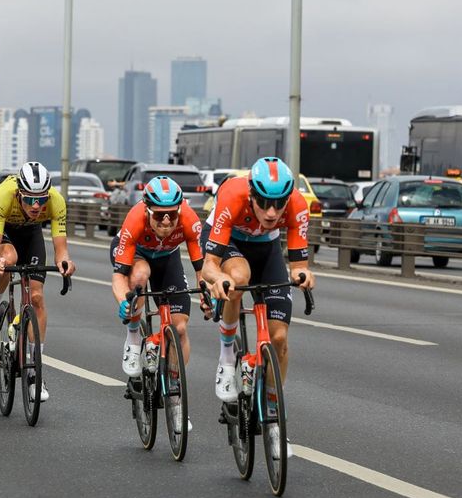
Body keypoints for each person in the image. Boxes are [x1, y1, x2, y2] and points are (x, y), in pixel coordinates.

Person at [200, 156, 315, 460]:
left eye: (278, 204)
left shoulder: (297, 206)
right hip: (228, 244)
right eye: (263, 203)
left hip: (266, 248)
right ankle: (227, 358)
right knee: (238, 278)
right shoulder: (232, 195)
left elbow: (299, 265)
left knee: (279, 339)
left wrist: (303, 274)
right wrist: (219, 279)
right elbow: (209, 266)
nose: (272, 212)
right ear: (251, 194)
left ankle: (274, 419)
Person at [110, 175, 206, 432]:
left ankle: (175, 397)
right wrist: (124, 303)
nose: (165, 221)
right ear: (147, 210)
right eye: (159, 215)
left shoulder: (189, 220)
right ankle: (133, 339)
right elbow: (119, 278)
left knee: (180, 328)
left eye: (171, 215)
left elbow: (202, 270)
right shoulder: (135, 219)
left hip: (167, 257)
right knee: (140, 276)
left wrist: (207, 296)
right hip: (136, 254)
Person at [0, 161, 76, 403]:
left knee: (36, 297)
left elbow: (61, 249)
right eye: (30, 199)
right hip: (4, 229)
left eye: (41, 199)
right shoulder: (4, 195)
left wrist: (65, 263)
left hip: (31, 232)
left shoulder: (56, 202)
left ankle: (35, 372)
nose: (37, 205)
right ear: (19, 194)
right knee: (8, 259)